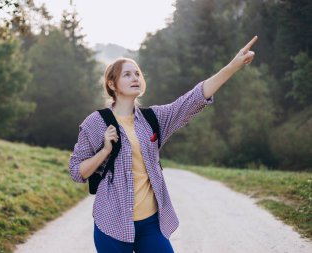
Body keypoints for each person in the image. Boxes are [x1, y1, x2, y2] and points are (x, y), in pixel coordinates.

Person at [69, 36, 258, 253]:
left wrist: (233, 66)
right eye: (127, 74)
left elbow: (193, 99)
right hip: (112, 225)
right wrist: (104, 151)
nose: (135, 78)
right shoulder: (96, 123)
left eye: (137, 73)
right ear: (112, 84)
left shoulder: (153, 119)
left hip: (150, 224)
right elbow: (76, 172)